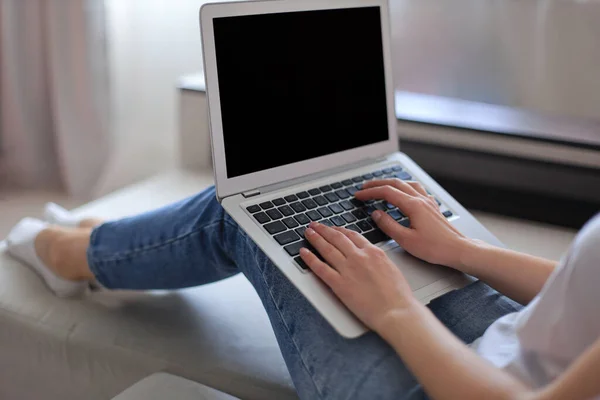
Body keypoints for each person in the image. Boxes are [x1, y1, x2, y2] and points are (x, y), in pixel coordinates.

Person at [5, 178, 600, 400]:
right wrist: (462, 252)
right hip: (512, 343)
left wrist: (395, 309)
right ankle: (108, 240)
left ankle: (76, 253)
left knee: (236, 211)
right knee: (329, 197)